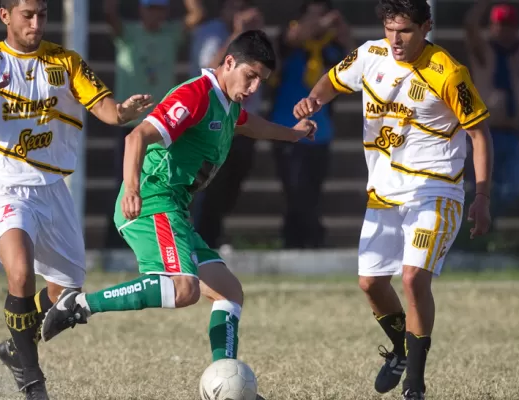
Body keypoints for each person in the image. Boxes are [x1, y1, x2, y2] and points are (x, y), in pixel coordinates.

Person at [40, 30, 316, 400]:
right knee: (183, 289)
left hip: (174, 210)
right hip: (153, 202)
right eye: (250, 76)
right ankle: (78, 305)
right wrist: (133, 188)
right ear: (229, 62)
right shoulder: (195, 95)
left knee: (229, 292)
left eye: (260, 81)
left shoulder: (228, 102)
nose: (252, 87)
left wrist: (293, 135)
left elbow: (248, 124)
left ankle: (225, 381)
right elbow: (135, 138)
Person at [293, 0, 493, 398]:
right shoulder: (371, 54)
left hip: (436, 190)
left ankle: (415, 386)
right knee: (370, 283)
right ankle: (400, 351)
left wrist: (482, 195)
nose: (396, 39)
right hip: (383, 193)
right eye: (390, 29)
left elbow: (478, 135)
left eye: (405, 30)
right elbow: (333, 80)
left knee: (413, 278)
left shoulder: (449, 73)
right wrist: (313, 101)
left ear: (426, 27)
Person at [0, 0, 153, 398]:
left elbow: (106, 109)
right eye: (27, 14)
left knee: (66, 292)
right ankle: (33, 382)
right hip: (7, 188)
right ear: (5, 15)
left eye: (42, 14)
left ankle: (16, 349)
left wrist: (124, 112)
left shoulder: (67, 62)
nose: (36, 22)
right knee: (22, 275)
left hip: (53, 190)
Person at [103, 0, 203, 247]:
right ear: (141, 10)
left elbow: (197, 13)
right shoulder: (129, 33)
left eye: (159, 9)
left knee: (161, 183)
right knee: (124, 182)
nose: (154, 15)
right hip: (131, 125)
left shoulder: (171, 33)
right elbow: (109, 12)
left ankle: (159, 238)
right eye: (150, 9)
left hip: (161, 126)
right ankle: (116, 242)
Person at [269, 0, 350, 248]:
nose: (319, 23)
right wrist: (319, 24)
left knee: (312, 190)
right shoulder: (289, 40)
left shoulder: (331, 46)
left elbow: (355, 57)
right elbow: (296, 36)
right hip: (286, 128)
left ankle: (308, 241)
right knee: (294, 189)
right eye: (312, 16)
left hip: (321, 132)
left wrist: (340, 27)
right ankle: (299, 239)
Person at [464, 0, 519, 222]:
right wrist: (483, 5)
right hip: (484, 134)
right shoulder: (483, 50)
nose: (503, 30)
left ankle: (491, 229)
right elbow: (470, 25)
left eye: (508, 25)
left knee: (511, 189)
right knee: (477, 189)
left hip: (511, 134)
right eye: (499, 25)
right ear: (492, 26)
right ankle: (472, 233)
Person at [190, 0, 265, 248]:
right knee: (209, 187)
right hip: (213, 124)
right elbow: (208, 68)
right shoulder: (210, 32)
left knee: (232, 185)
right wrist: (236, 35)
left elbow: (271, 72)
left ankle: (213, 235)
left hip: (242, 124)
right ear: (223, 9)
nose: (239, 12)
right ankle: (201, 239)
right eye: (234, 7)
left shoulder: (256, 36)